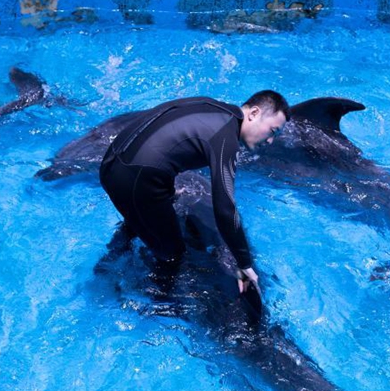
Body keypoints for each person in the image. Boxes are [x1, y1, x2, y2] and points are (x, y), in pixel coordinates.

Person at [99, 91, 289, 293]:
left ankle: (114, 254)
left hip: (112, 162)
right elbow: (225, 208)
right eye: (273, 131)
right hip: (134, 179)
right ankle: (151, 300)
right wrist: (244, 263)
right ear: (254, 113)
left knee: (150, 214)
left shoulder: (212, 106)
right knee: (172, 255)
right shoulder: (227, 138)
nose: (270, 141)